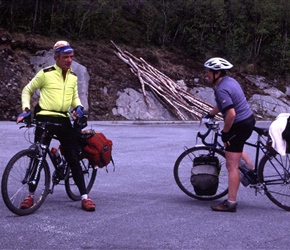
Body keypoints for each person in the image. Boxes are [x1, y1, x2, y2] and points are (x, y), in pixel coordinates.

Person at [16, 41, 96, 212]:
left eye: (71, 57)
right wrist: (26, 109)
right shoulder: (45, 74)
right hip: (44, 117)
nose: (69, 60)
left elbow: (74, 98)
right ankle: (30, 196)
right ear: (56, 58)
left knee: (73, 157)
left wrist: (79, 107)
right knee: (37, 157)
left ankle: (85, 197)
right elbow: (27, 90)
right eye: (65, 57)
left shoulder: (73, 76)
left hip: (63, 120)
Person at [203, 57, 255, 212]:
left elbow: (230, 114)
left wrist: (225, 133)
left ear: (217, 72)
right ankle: (251, 171)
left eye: (208, 72)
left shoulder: (221, 88)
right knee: (235, 148)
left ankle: (231, 203)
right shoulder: (230, 81)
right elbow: (223, 104)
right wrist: (210, 114)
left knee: (231, 165)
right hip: (248, 120)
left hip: (238, 124)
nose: (206, 75)